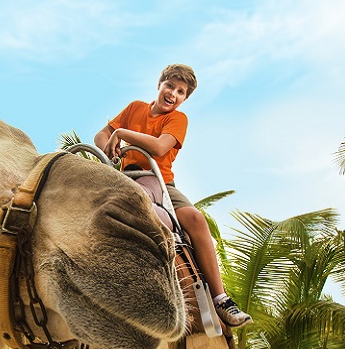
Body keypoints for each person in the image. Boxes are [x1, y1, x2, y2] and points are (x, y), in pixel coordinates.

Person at [94, 64, 252, 329]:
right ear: (160, 85)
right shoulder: (135, 108)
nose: (173, 94)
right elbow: (102, 134)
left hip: (159, 180)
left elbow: (158, 147)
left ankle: (221, 298)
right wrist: (108, 147)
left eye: (181, 92)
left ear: (183, 99)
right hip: (125, 177)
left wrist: (120, 134)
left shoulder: (177, 119)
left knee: (194, 218)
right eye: (170, 86)